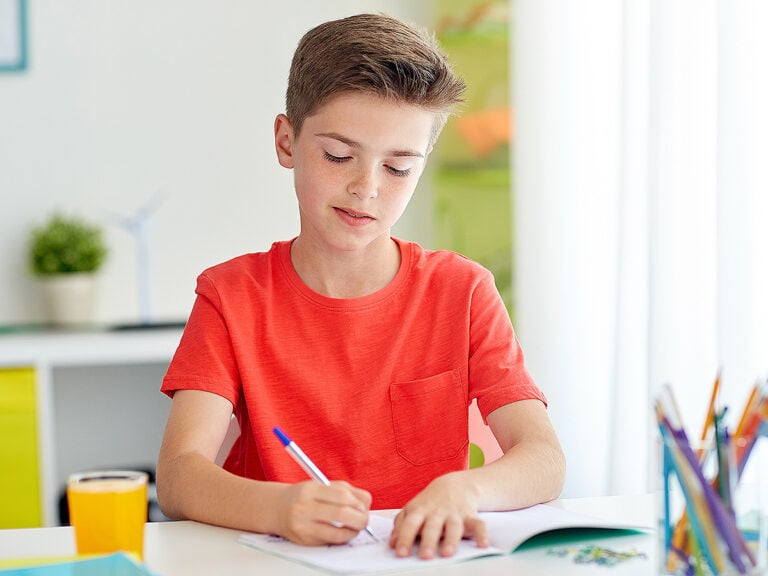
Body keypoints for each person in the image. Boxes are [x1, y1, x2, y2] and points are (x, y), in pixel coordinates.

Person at [156, 12, 565, 560]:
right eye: (339, 156)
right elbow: (180, 477)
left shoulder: (463, 291)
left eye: (398, 168)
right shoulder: (230, 296)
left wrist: (464, 487)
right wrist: (279, 508)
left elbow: (544, 458)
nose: (365, 188)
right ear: (286, 141)